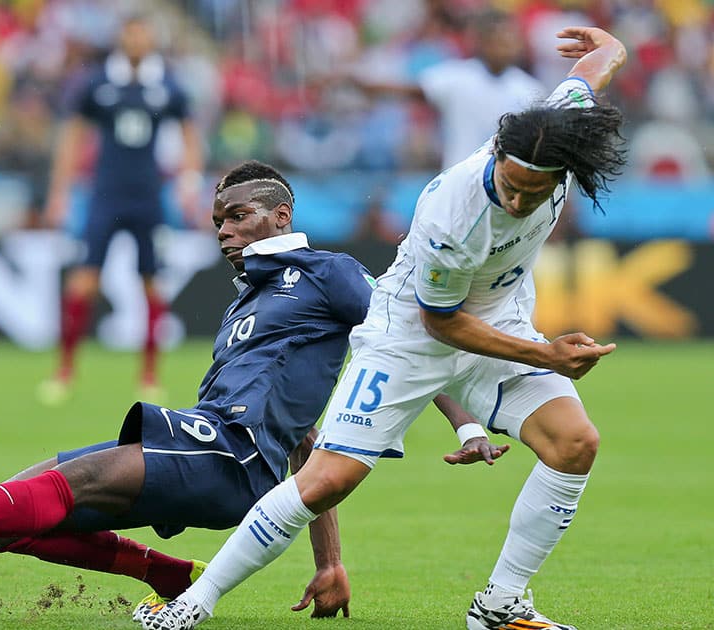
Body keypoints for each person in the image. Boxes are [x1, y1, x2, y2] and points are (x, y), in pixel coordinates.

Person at [0, 161, 505, 622]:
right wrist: (329, 562)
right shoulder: (247, 300)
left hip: (233, 456)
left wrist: (466, 424)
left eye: (239, 217)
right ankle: (162, 574)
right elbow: (305, 444)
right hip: (211, 443)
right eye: (218, 219)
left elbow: (408, 341)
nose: (224, 230)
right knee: (19, 512)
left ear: (281, 216)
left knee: (71, 482)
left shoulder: (327, 273)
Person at [144, 26, 627, 630]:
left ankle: (501, 606)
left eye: (536, 192)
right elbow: (442, 323)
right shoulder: (457, 214)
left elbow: (599, 66)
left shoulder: (553, 132)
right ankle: (195, 602)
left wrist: (606, 44)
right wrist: (546, 356)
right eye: (510, 185)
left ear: (563, 173)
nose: (519, 203)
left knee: (574, 443)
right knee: (327, 481)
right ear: (497, 159)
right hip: (409, 338)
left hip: (495, 322)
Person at [38, 13, 206, 403]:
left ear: (151, 39)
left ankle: (149, 376)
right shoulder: (98, 83)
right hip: (105, 196)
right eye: (131, 33)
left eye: (142, 33)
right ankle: (64, 371)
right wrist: (60, 191)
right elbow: (73, 136)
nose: (136, 41)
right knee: (83, 281)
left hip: (148, 197)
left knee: (152, 284)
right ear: (120, 38)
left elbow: (190, 133)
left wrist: (189, 182)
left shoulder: (166, 85)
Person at [350, 9, 544, 169]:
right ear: (482, 42)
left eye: (511, 40)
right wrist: (361, 84)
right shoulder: (457, 77)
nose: (506, 46)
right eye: (499, 40)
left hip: (506, 185)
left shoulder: (530, 89)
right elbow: (410, 90)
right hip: (459, 179)